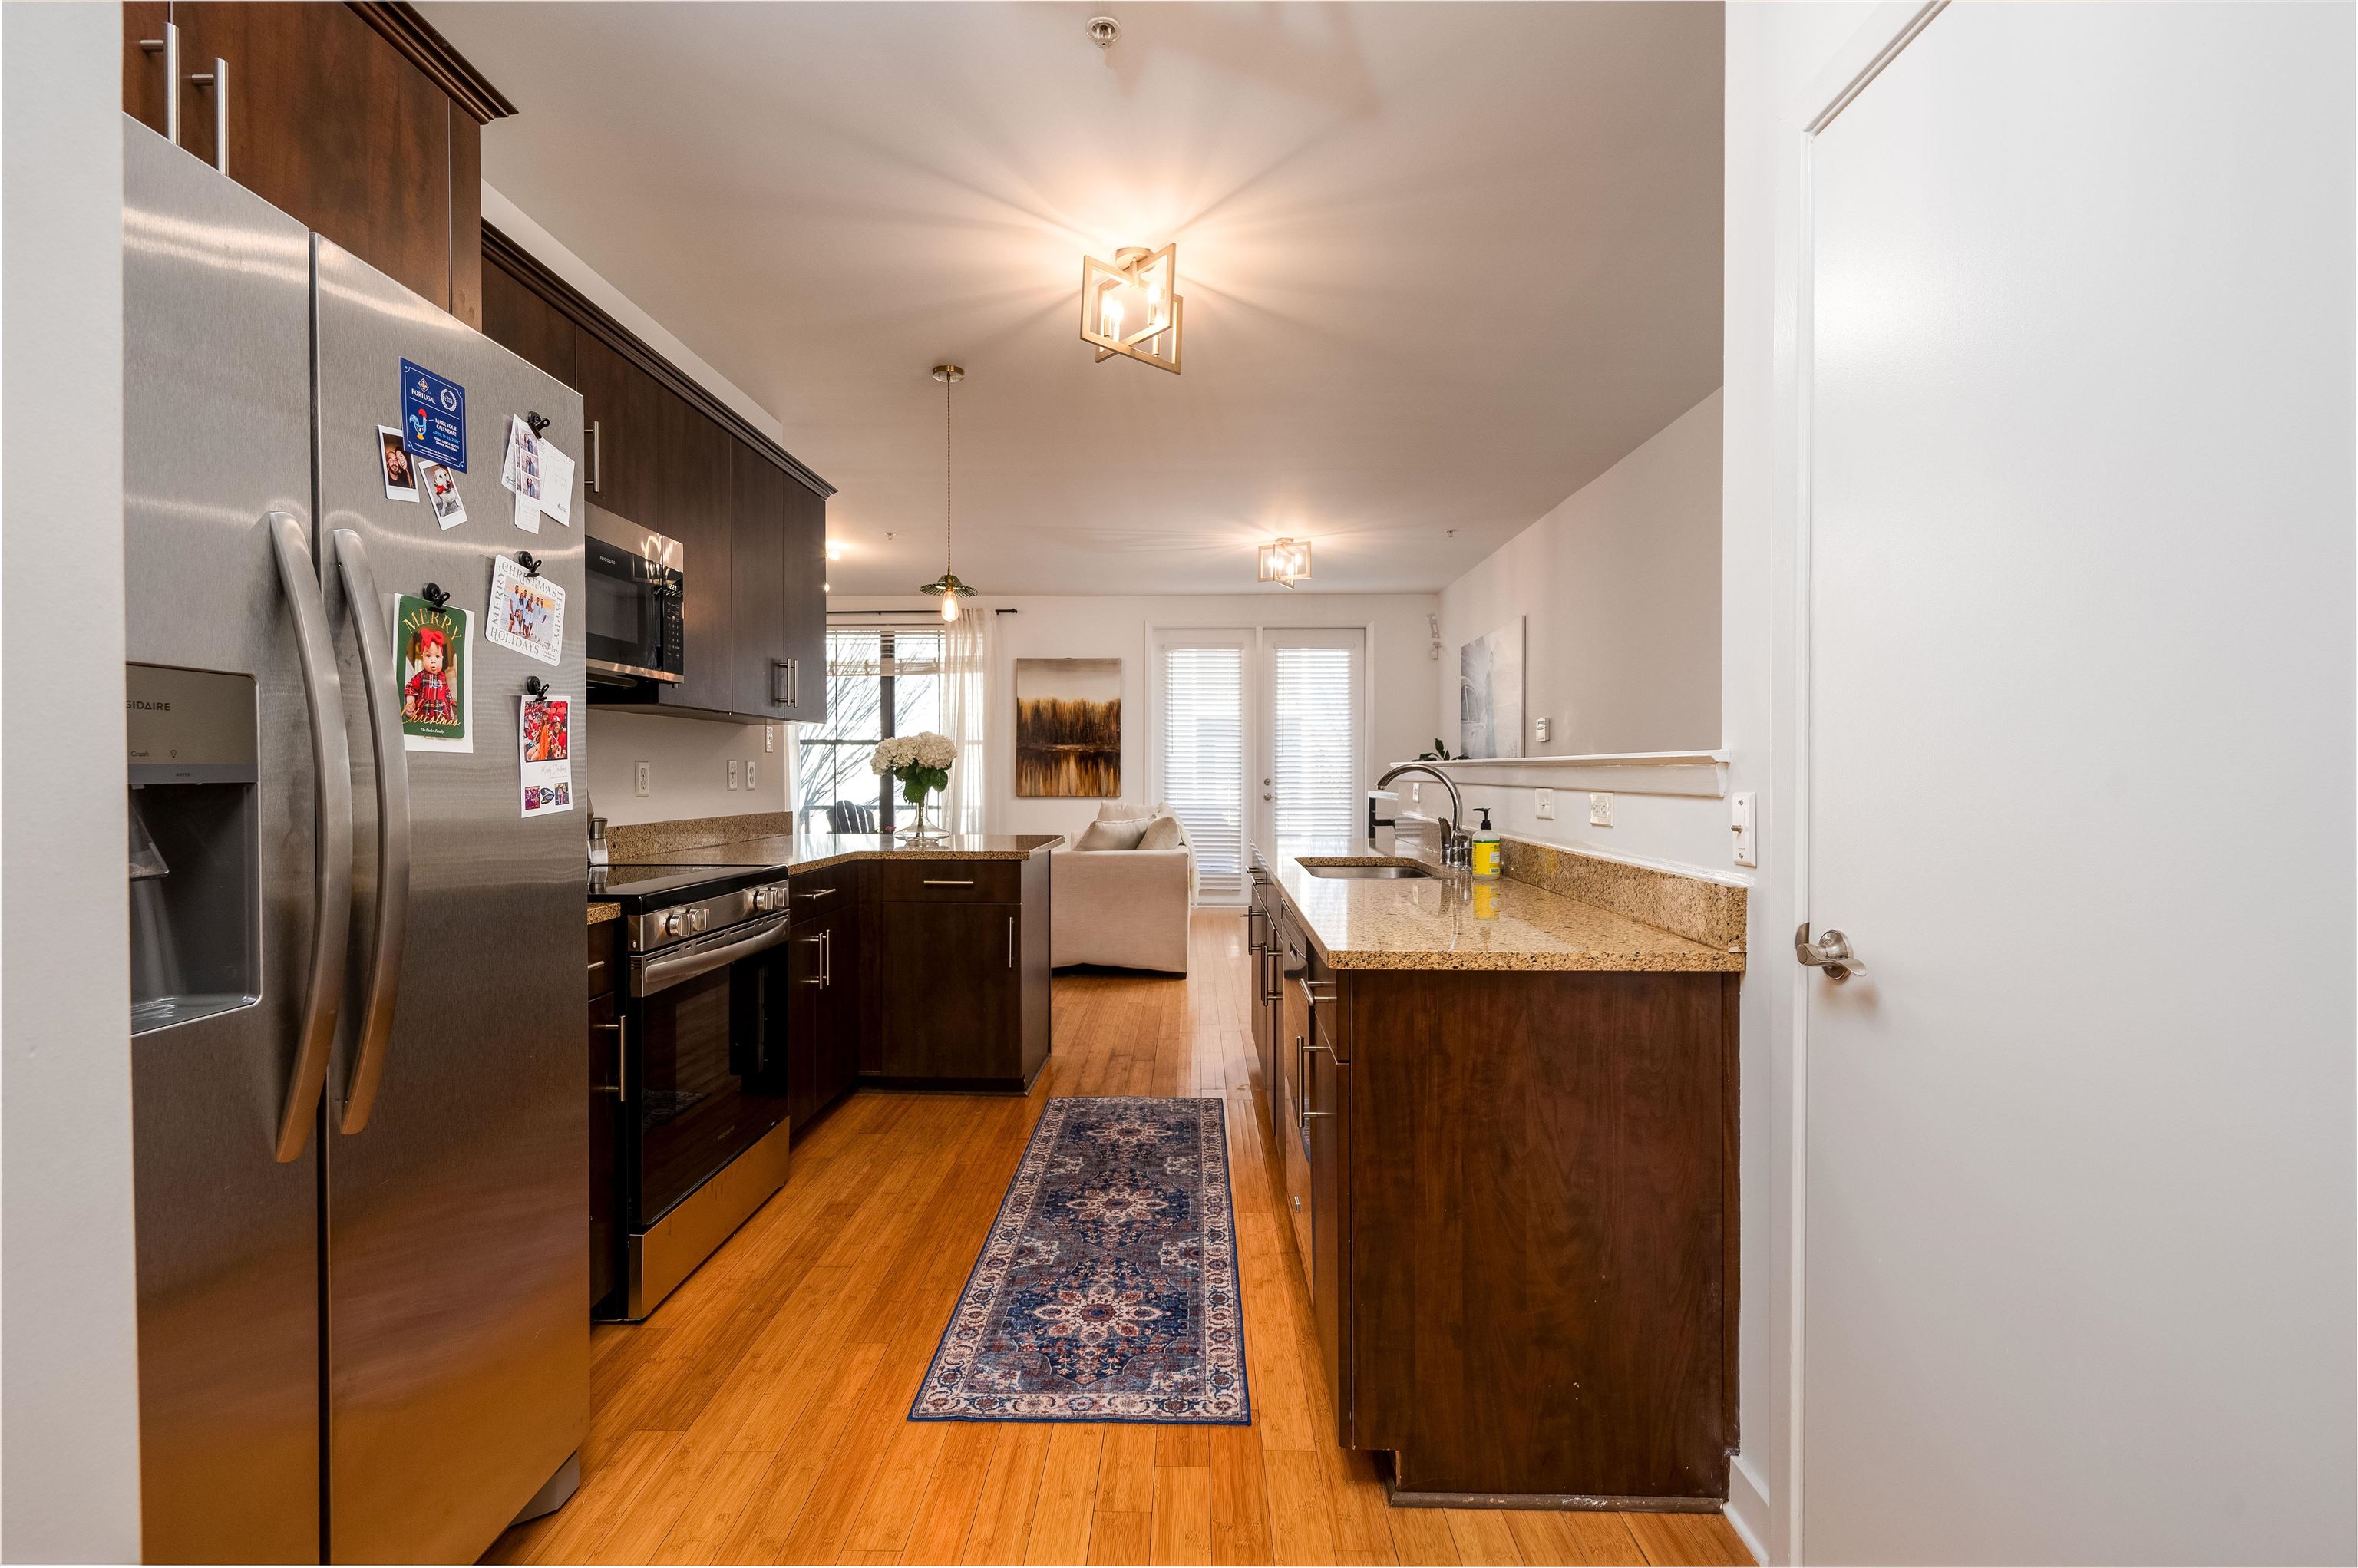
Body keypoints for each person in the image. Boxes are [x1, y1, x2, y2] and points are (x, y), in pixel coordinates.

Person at [401, 624, 457, 728]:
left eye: (437, 656)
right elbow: (411, 688)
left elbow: (448, 695)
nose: (433, 660)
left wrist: (451, 712)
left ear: (442, 659)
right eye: (428, 656)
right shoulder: (421, 676)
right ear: (422, 658)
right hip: (425, 713)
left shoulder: (443, 678)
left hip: (442, 715)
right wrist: (410, 702)